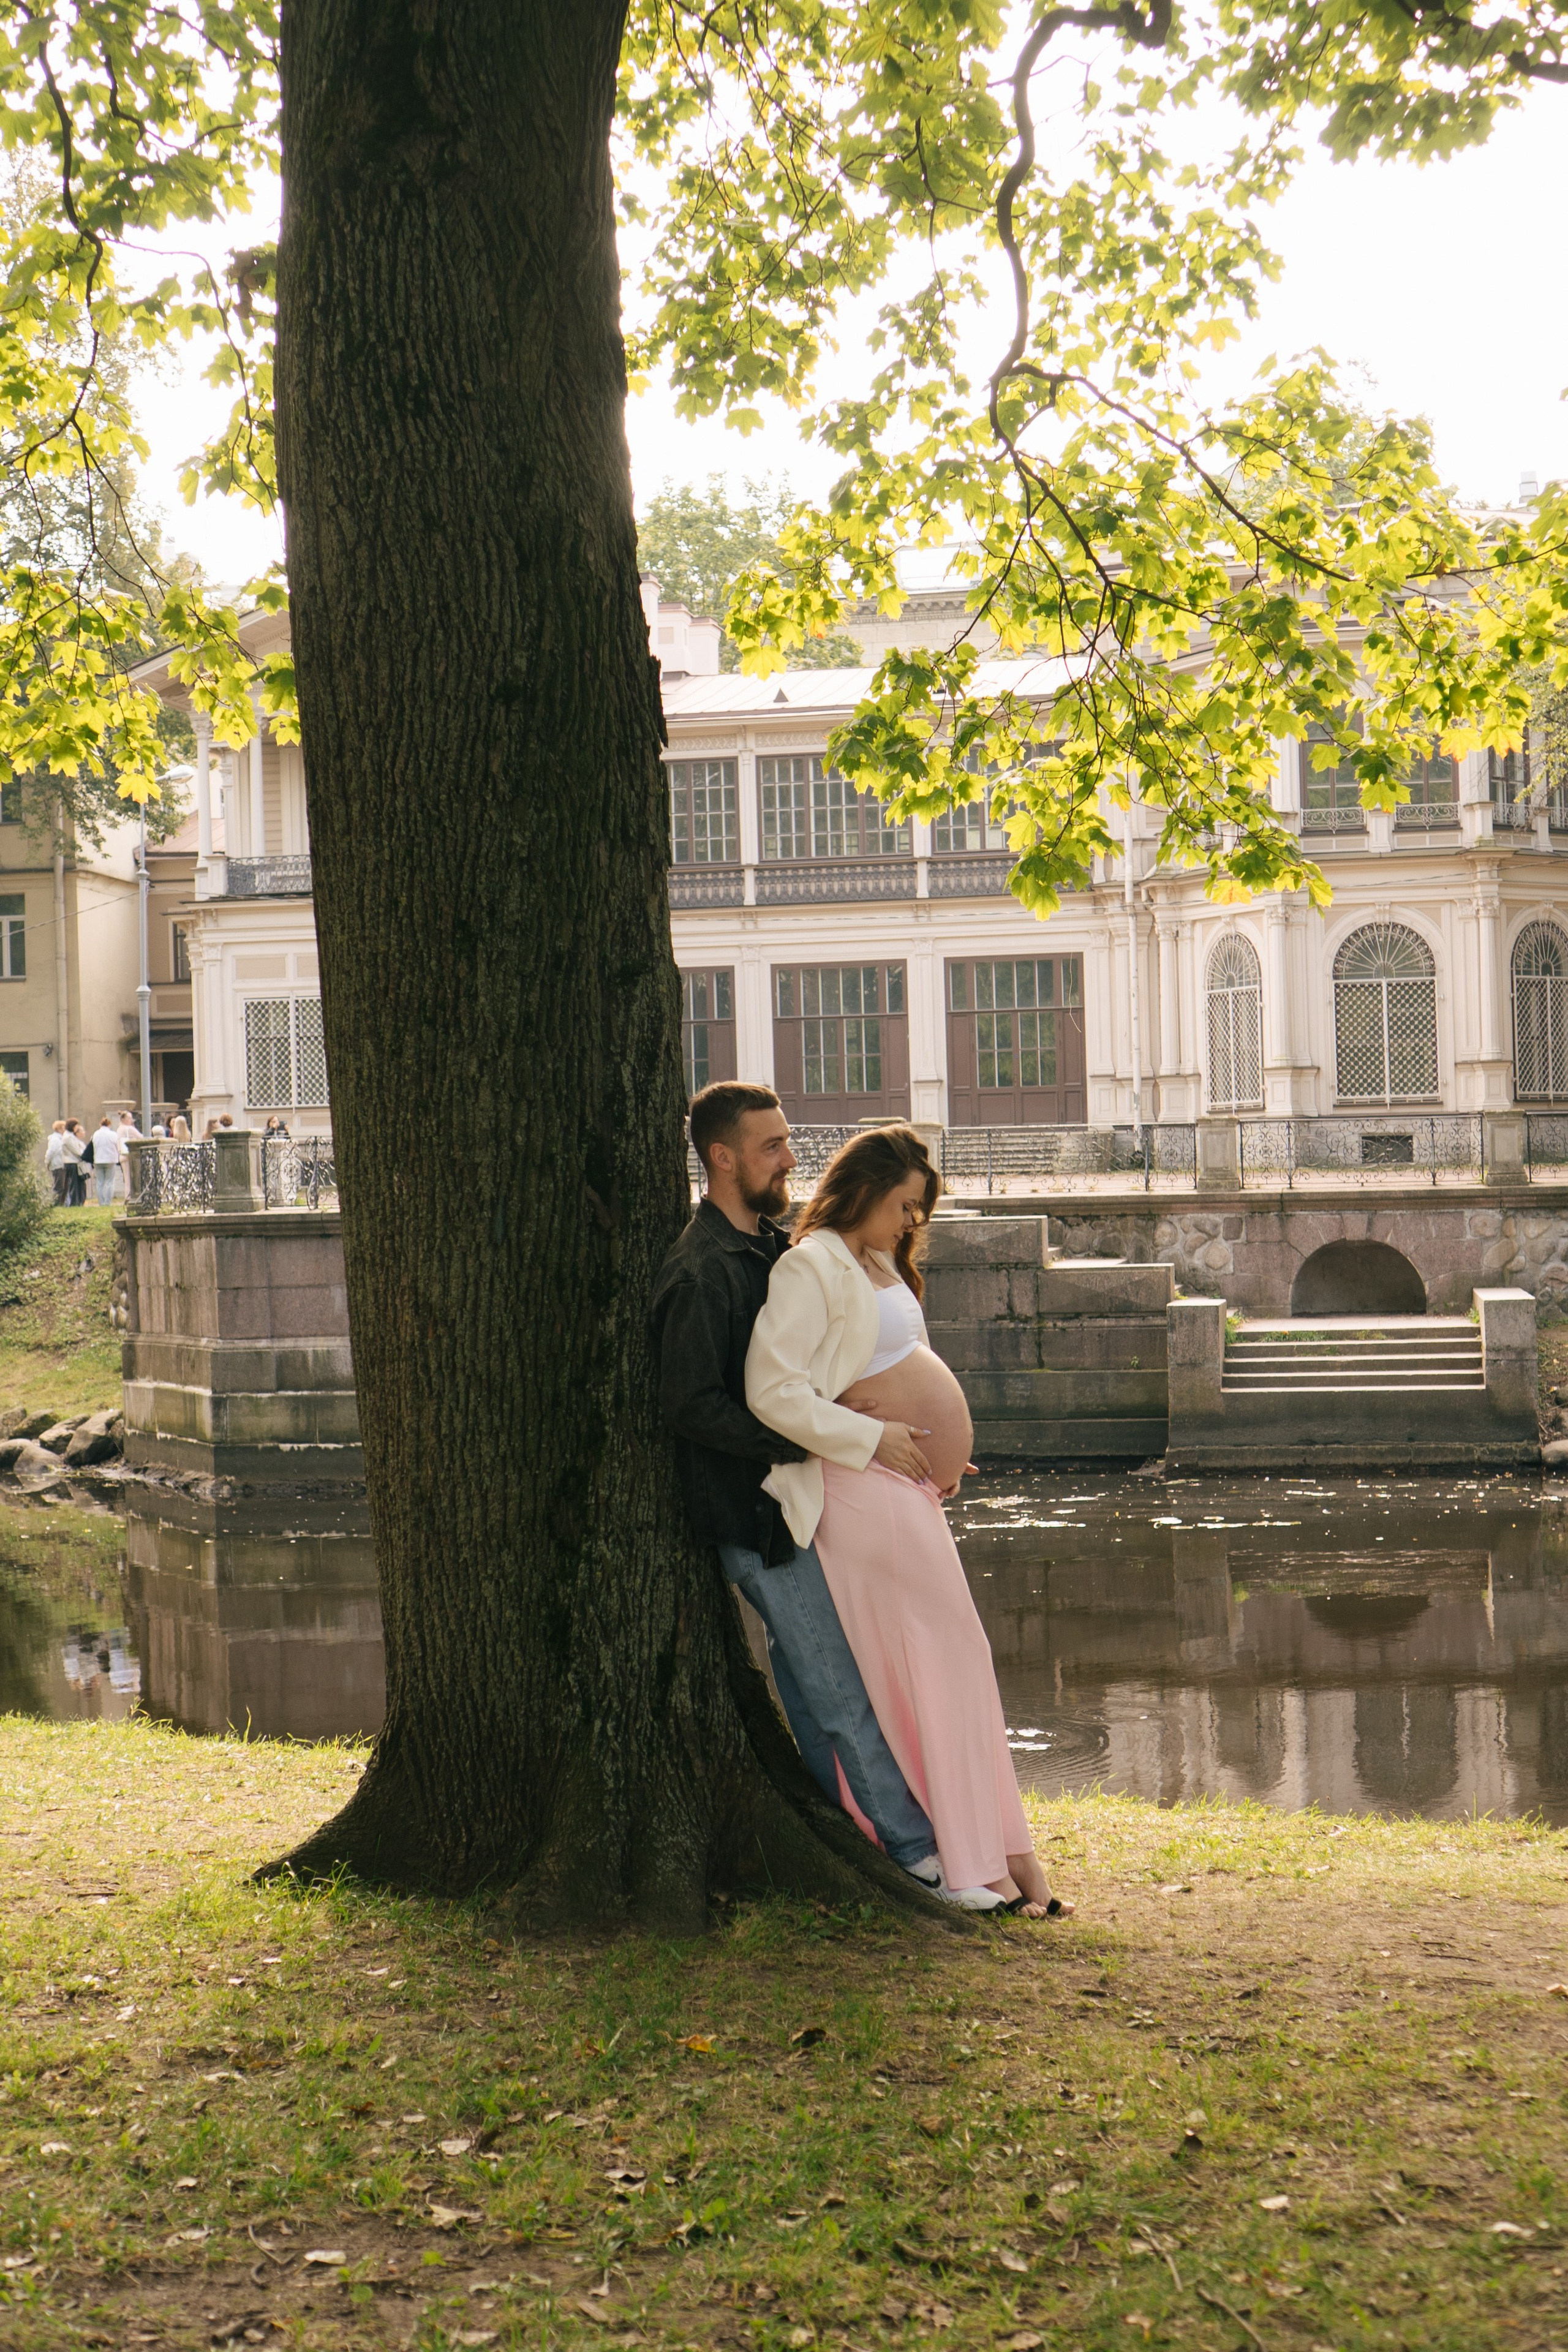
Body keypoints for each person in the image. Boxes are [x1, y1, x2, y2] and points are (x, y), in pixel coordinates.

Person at [746, 1125, 1071, 1920]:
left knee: (954, 1655)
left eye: (918, 1210)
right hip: (855, 1484)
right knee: (928, 1660)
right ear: (860, 1192)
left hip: (903, 1488)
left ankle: (1003, 1854)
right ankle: (966, 1860)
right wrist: (879, 1437)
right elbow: (771, 1393)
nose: (910, 1223)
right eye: (902, 1206)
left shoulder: (881, 1261)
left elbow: (896, 1365)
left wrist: (943, 1458)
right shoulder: (808, 1268)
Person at [650, 1080, 946, 1896]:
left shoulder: (772, 1248)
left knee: (814, 1690)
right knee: (837, 1687)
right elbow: (691, 1404)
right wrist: (817, 1432)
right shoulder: (703, 1270)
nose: (791, 1157)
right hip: (754, 1515)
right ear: (722, 1158)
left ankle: (841, 1826)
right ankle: (915, 1852)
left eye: (787, 1141)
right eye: (772, 1145)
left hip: (799, 1499)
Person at [89, 1114, 121, 1207]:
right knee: (109, 1181)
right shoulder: (113, 1134)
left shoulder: (95, 1134)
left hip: (98, 1160)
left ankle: (101, 1202)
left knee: (100, 1182)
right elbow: (117, 1146)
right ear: (109, 1125)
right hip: (110, 1160)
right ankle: (108, 1202)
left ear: (100, 1124)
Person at [62, 1120, 88, 1207]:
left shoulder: (71, 1136)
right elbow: (76, 1150)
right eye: (76, 1126)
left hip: (76, 1162)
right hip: (71, 1162)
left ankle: (79, 1202)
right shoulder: (68, 1138)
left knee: (79, 1184)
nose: (77, 1129)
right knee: (74, 1184)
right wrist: (84, 1155)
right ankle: (74, 1202)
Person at [43, 1120, 67, 1207]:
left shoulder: (62, 1139)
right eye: (64, 1128)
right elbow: (51, 1152)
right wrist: (47, 1162)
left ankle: (61, 1204)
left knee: (65, 1188)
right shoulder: (55, 1139)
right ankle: (55, 1205)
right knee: (59, 1187)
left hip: (63, 1165)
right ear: (59, 1129)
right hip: (58, 1166)